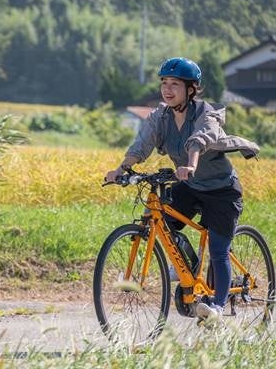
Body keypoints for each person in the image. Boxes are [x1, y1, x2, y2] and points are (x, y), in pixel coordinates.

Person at [105, 57, 259, 320]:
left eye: (175, 83)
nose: (167, 88)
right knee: (163, 219)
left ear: (191, 89)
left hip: (222, 190)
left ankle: (218, 307)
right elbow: (142, 145)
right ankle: (188, 265)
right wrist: (121, 169)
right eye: (164, 82)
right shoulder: (160, 117)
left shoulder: (205, 113)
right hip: (189, 186)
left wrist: (190, 165)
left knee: (219, 249)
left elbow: (200, 139)